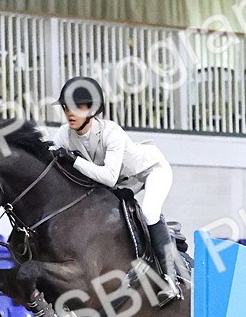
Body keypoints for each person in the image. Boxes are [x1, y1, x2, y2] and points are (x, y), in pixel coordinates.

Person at [50, 76, 181, 305]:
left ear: (93, 110)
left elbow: (109, 177)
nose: (70, 113)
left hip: (150, 171)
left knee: (149, 212)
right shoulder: (63, 134)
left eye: (78, 107)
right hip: (123, 184)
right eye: (66, 107)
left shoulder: (112, 131)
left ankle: (171, 278)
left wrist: (74, 160)